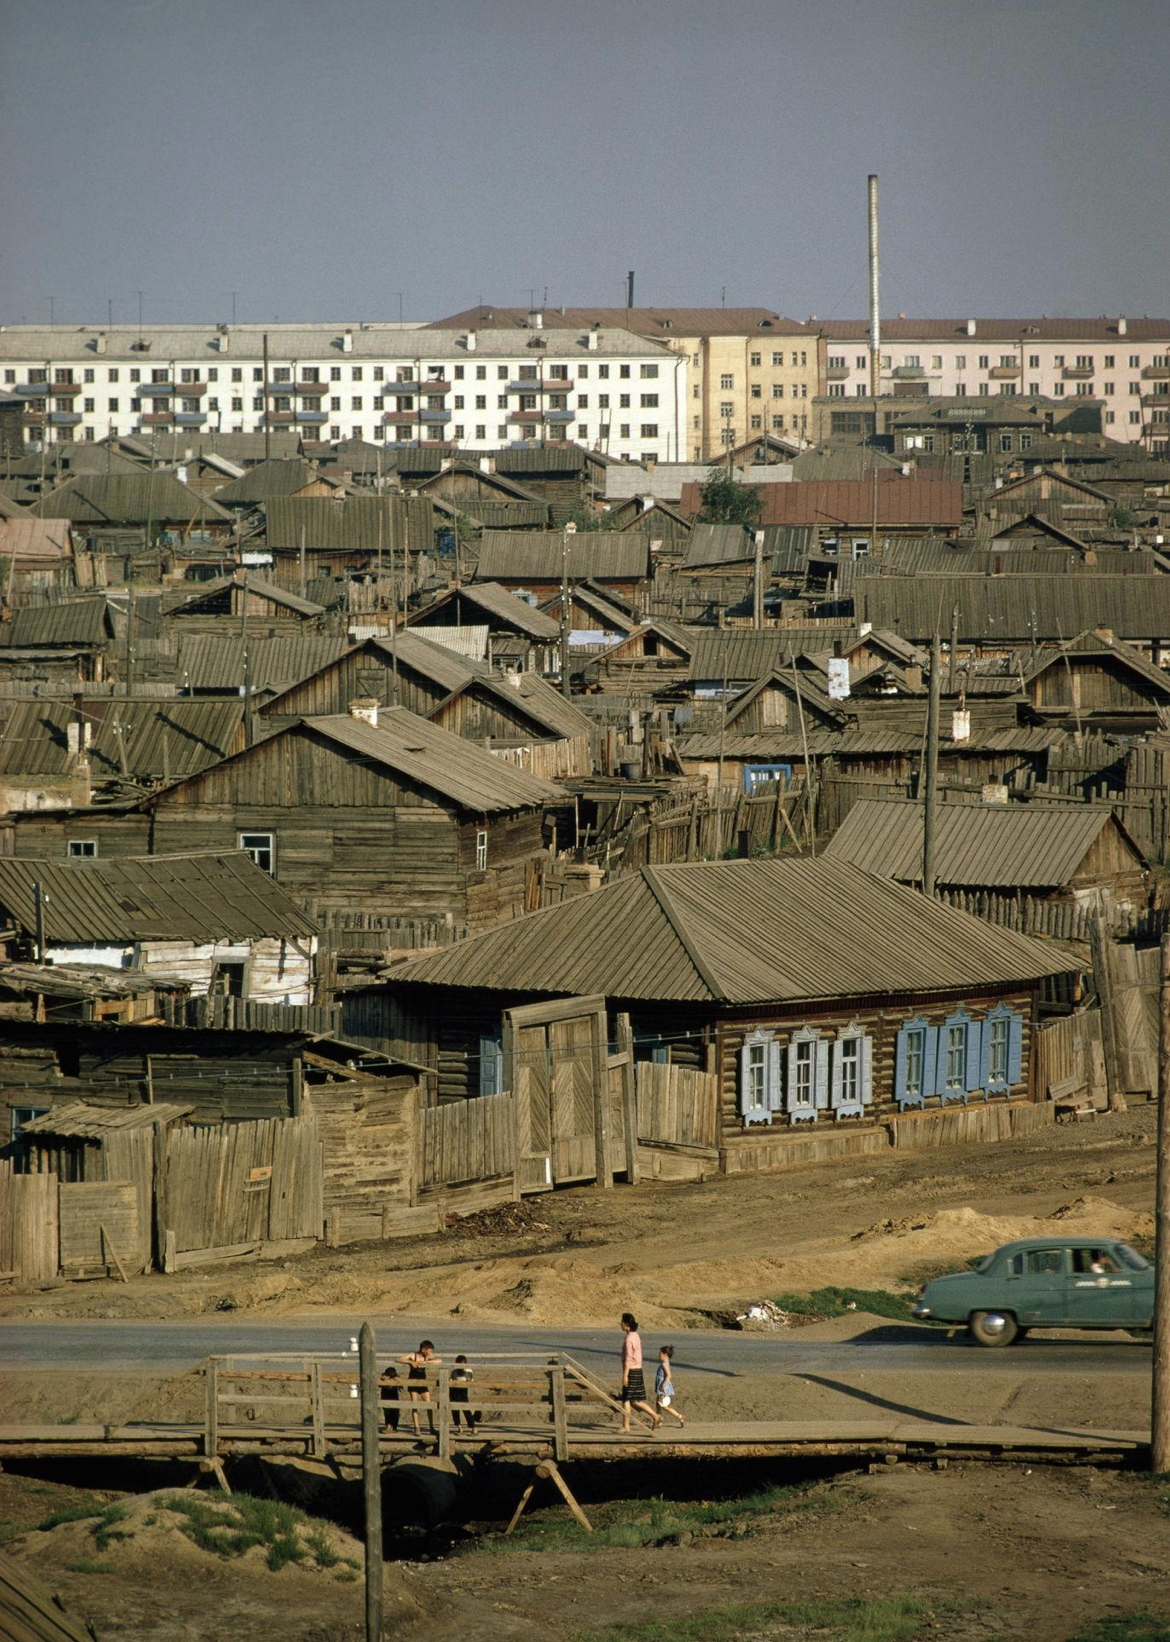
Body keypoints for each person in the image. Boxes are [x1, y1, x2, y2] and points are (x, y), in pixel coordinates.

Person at [619, 1312, 661, 1433]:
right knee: (634, 1400)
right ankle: (655, 1416)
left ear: (627, 1324)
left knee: (627, 1399)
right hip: (638, 1370)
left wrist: (625, 1375)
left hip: (631, 1371)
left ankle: (626, 1426)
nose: (620, 1324)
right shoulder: (636, 1335)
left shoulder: (629, 1339)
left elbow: (628, 1358)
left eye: (622, 1322)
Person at [398, 1340, 442, 1438]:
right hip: (413, 1383)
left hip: (423, 1383)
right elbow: (399, 1359)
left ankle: (431, 1427)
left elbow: (439, 1361)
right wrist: (410, 1362)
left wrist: (426, 1362)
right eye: (429, 1350)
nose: (431, 1352)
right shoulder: (413, 1355)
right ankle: (416, 1427)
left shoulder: (426, 1356)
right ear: (423, 1349)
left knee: (429, 1404)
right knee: (415, 1405)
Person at [655, 1345, 686, 1427]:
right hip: (662, 1386)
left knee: (664, 1405)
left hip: (663, 1387)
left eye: (660, 1354)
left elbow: (669, 1375)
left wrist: (663, 1385)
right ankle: (659, 1421)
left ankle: (679, 1416)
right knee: (658, 1404)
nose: (658, 1355)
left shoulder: (665, 1364)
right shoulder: (664, 1363)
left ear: (665, 1355)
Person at [450, 1354, 479, 1432]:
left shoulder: (468, 1371)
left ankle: (473, 1426)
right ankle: (459, 1426)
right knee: (455, 1409)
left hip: (462, 1390)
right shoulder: (454, 1371)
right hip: (454, 1390)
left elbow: (469, 1379)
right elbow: (451, 1380)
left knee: (466, 1408)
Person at [379, 1364, 401, 1433]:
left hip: (393, 1396)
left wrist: (397, 1380)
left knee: (395, 1412)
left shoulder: (396, 1378)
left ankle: (394, 1427)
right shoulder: (383, 1378)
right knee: (387, 1412)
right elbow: (379, 1384)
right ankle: (388, 1426)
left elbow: (400, 1384)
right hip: (385, 1396)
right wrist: (383, 1379)